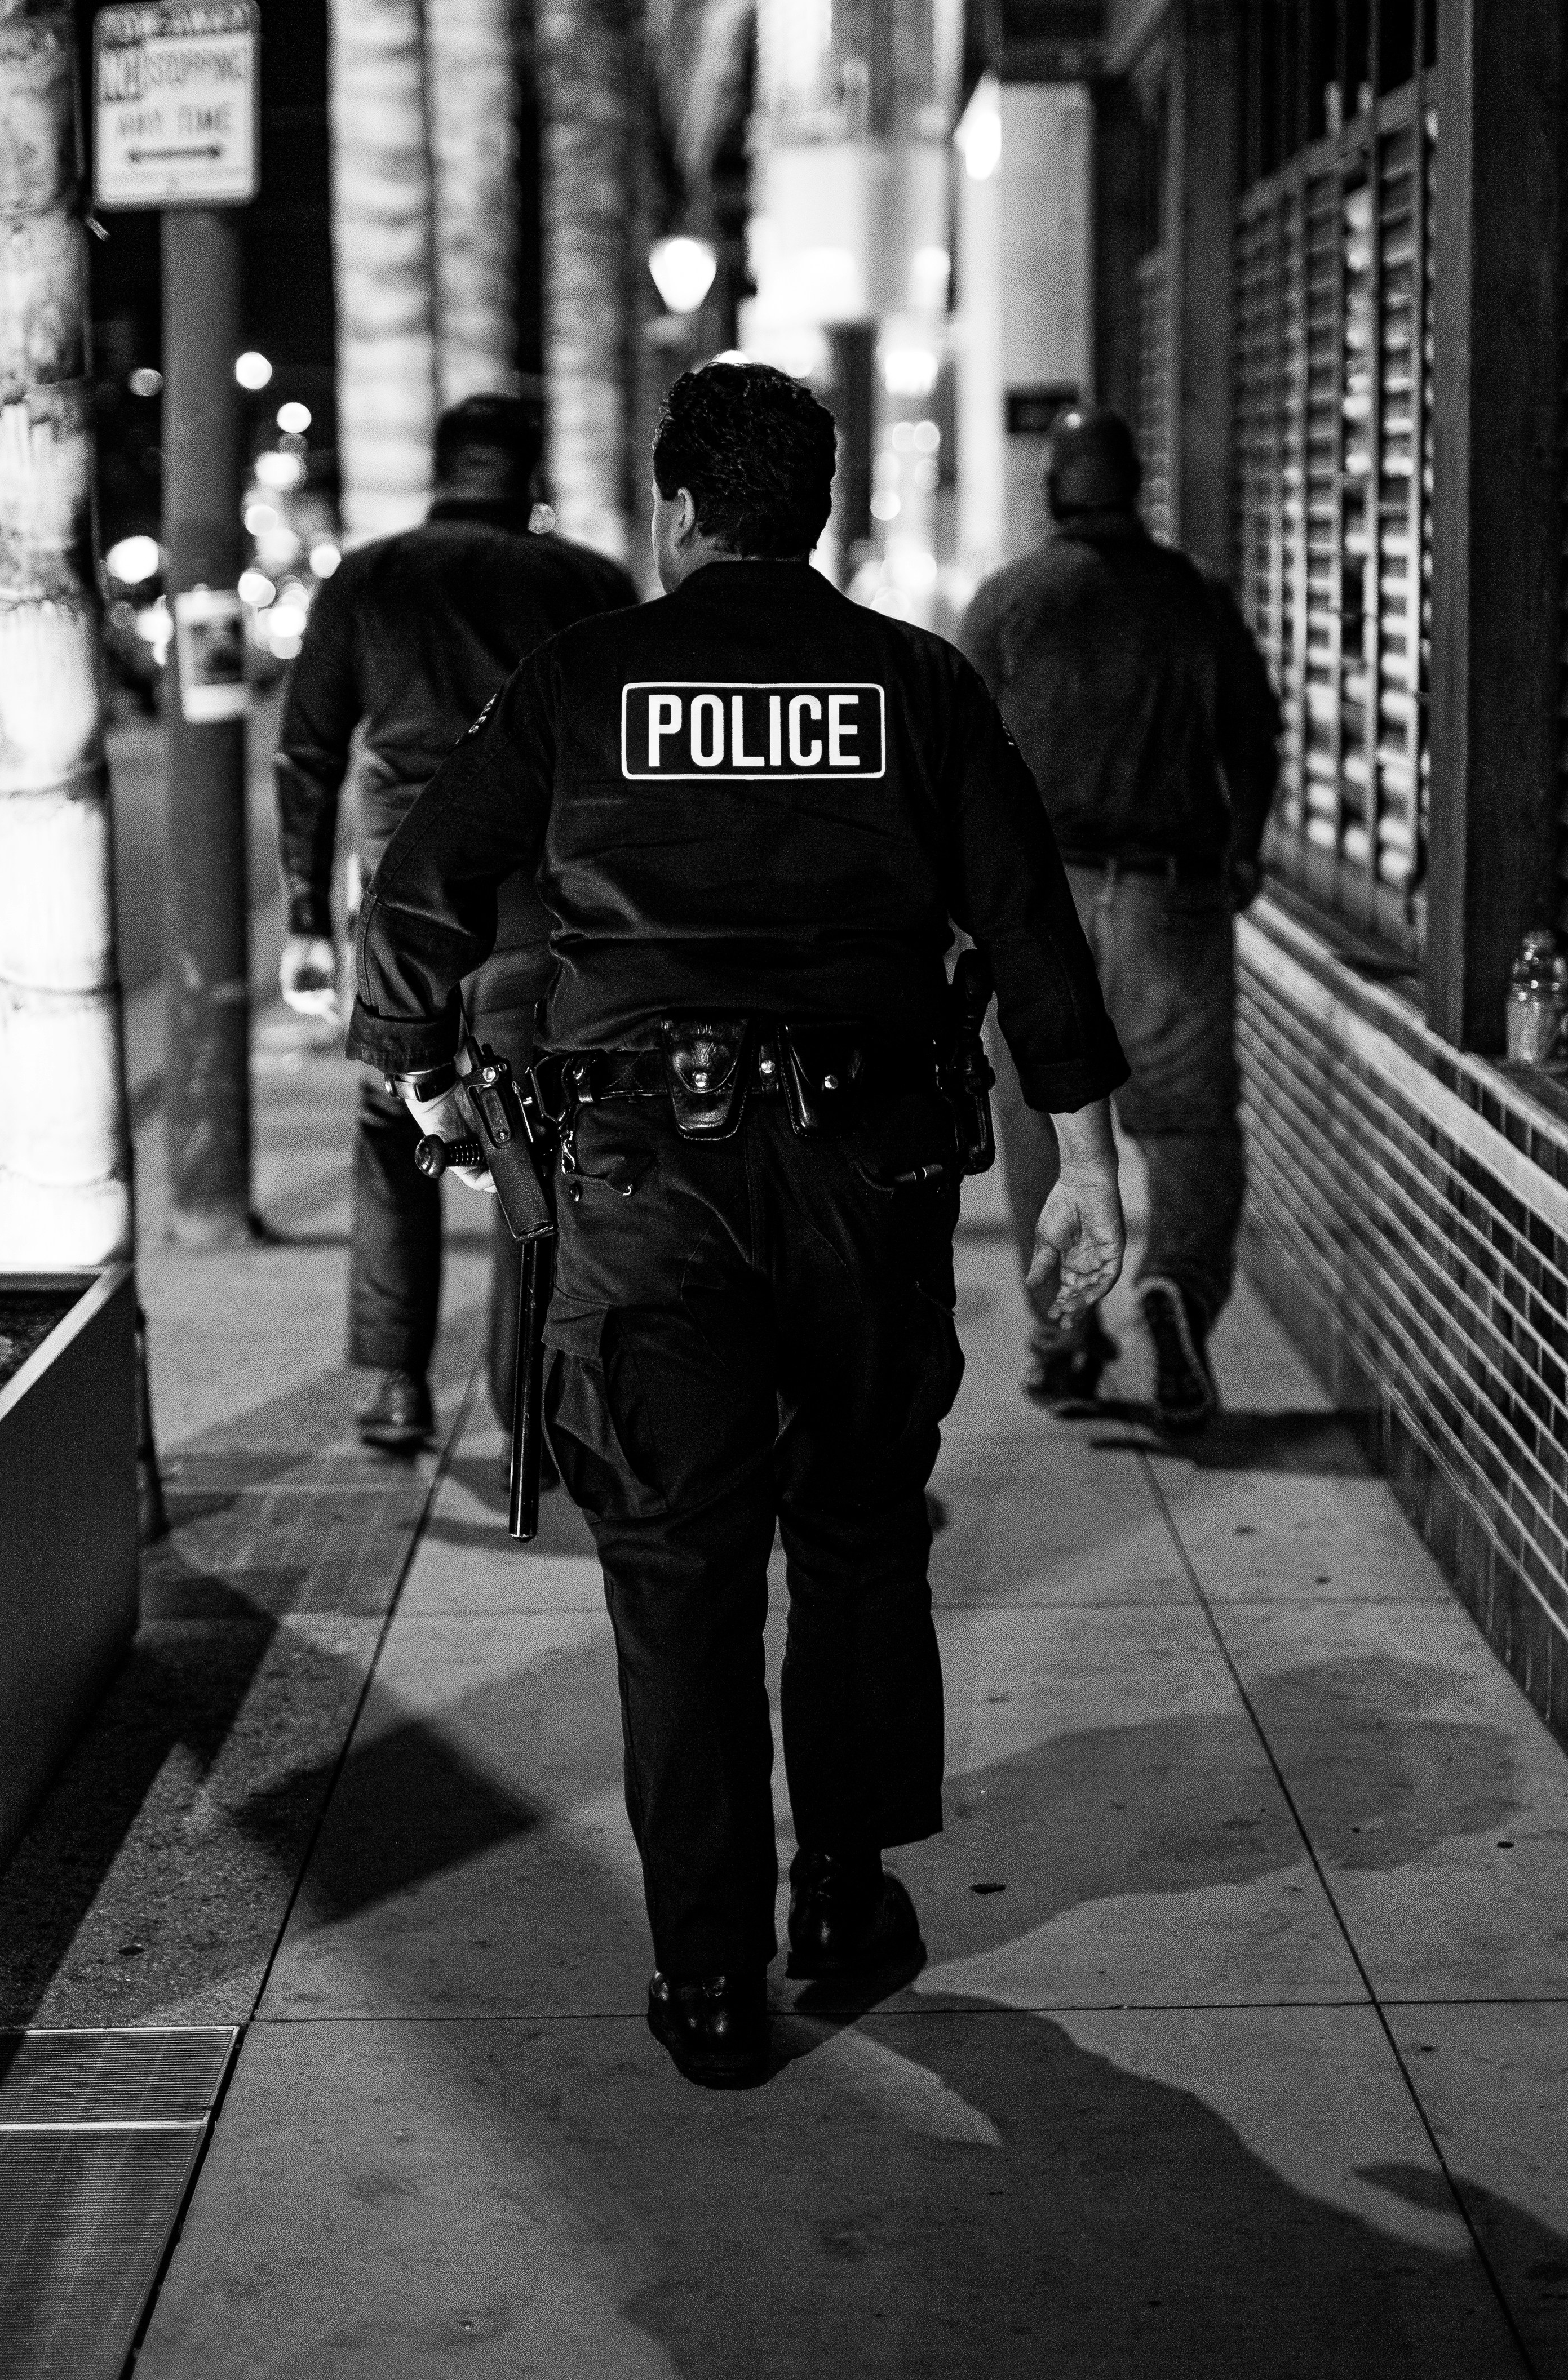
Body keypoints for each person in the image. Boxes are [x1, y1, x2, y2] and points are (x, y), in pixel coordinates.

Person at [345, 359, 1127, 2088]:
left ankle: (706, 1979)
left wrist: (410, 1077)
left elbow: (417, 884)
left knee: (674, 1572)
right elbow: (1025, 922)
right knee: (853, 1532)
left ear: (677, 510)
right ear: (818, 511)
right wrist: (1089, 1156)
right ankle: (839, 1898)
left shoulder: (577, 681)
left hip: (643, 1184)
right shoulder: (914, 683)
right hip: (868, 1176)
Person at [275, 392, 634, 1451]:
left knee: (393, 1131)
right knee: (535, 1137)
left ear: (440, 467)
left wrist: (303, 908)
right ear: (533, 478)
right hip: (541, 898)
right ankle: (526, 1408)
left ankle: (394, 1382)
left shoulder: (372, 578)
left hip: (399, 899)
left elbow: (307, 751)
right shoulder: (587, 582)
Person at [958, 406, 1280, 1435]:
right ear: (1135, 486)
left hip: (1040, 900)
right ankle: (1176, 1286)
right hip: (1170, 891)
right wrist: (1244, 847)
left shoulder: (1010, 601)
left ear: (1054, 489)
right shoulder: (1193, 598)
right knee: (1187, 1120)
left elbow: (957, 764)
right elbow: (1256, 734)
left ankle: (1063, 1332)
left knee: (1043, 1120)